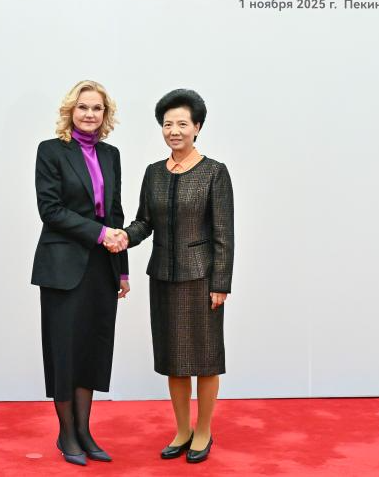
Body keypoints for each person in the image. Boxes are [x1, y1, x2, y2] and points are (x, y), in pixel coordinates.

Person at [124, 88, 234, 464]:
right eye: (168, 124)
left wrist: (221, 283)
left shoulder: (214, 172)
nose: (174, 131)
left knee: (205, 359)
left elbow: (223, 233)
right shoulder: (153, 173)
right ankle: (182, 429)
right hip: (163, 277)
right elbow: (144, 222)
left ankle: (203, 430)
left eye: (182, 124)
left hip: (202, 280)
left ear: (197, 127)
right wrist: (124, 237)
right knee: (174, 358)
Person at [31, 80, 130, 466]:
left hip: (101, 267)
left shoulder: (111, 154)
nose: (90, 114)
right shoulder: (51, 151)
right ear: (70, 111)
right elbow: (50, 210)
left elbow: (115, 212)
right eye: (83, 107)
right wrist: (100, 234)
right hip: (62, 267)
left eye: (97, 108)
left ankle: (85, 432)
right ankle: (66, 432)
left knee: (91, 349)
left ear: (106, 115)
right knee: (65, 351)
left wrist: (122, 271)